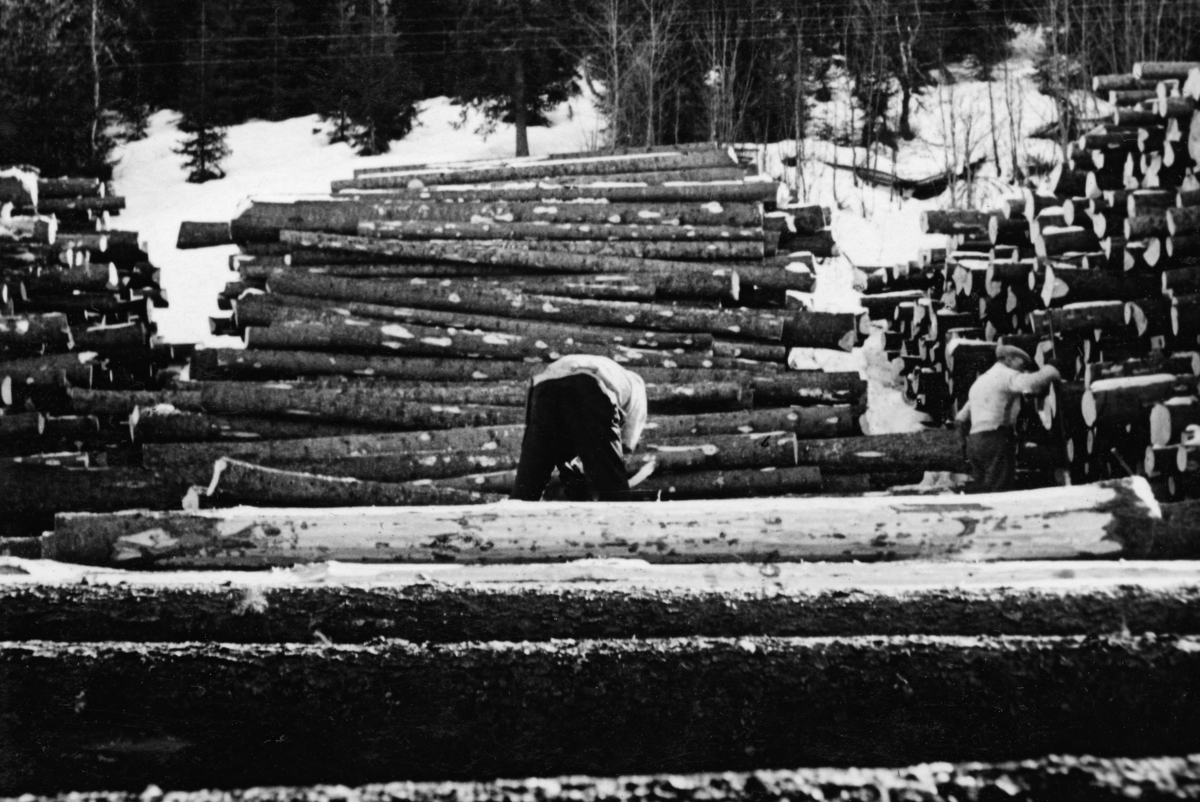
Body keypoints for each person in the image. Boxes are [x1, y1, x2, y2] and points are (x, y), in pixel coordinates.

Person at [511, 354, 648, 502]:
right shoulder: (636, 385)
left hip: (543, 386)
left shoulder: (610, 370)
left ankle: (516, 512)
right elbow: (625, 445)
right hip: (588, 385)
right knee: (611, 482)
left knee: (530, 479)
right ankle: (617, 514)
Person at [954, 343, 1060, 493]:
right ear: (1009, 359)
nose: (1022, 368)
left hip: (974, 441)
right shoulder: (1004, 374)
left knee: (984, 489)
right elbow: (1028, 383)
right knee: (1000, 489)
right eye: (1021, 363)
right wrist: (1051, 370)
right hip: (995, 437)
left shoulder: (980, 382)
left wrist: (963, 443)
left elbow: (960, 417)